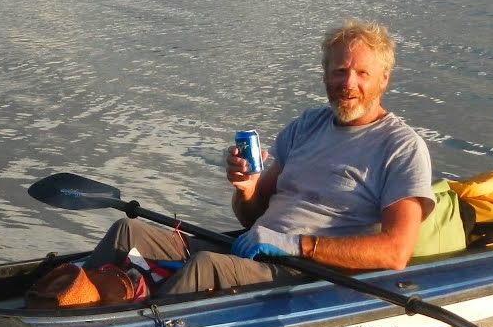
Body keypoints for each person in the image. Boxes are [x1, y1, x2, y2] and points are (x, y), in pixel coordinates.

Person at [84, 20, 434, 294]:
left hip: (305, 271)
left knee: (206, 266)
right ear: (325, 75)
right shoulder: (307, 125)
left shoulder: (401, 147)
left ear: (384, 79)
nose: (348, 83)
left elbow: (395, 252)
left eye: (362, 73)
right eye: (339, 71)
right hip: (255, 249)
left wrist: (296, 245)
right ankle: (69, 299)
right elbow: (252, 217)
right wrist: (246, 188)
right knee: (126, 232)